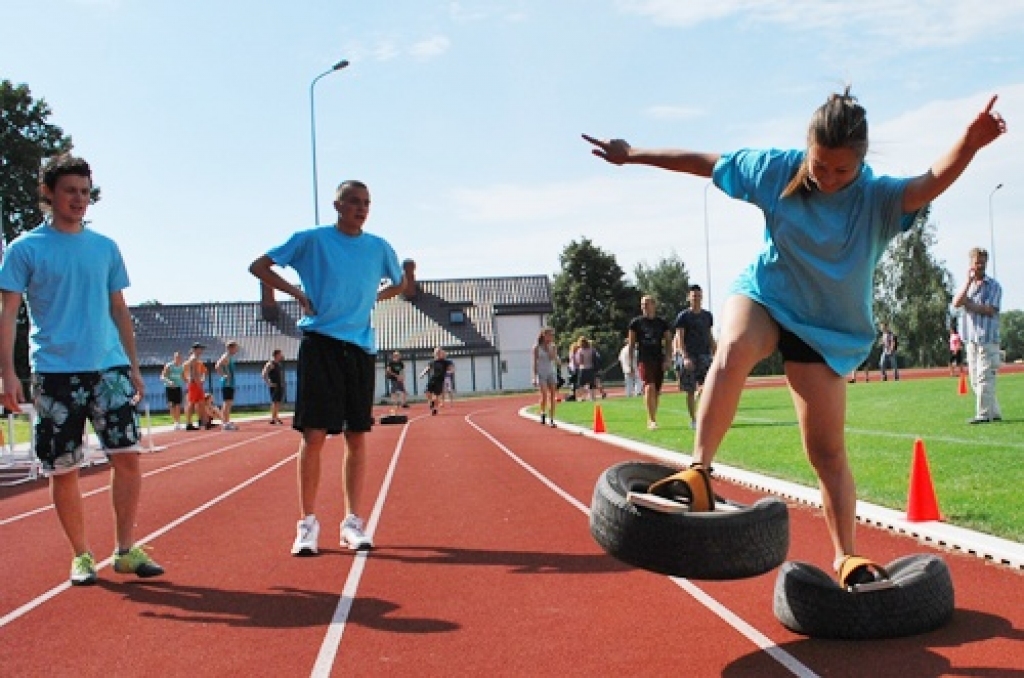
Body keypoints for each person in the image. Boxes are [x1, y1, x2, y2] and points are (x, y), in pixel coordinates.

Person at [584, 88, 1006, 586]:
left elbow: (930, 181)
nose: (827, 179)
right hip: (768, 296)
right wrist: (632, 154)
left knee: (826, 452)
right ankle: (699, 472)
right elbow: (705, 161)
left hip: (826, 328)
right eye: (820, 165)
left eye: (841, 171)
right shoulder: (776, 170)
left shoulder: (878, 199)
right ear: (807, 150)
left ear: (861, 163)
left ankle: (846, 557)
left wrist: (971, 142)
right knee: (734, 349)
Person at [0, 154, 163, 585]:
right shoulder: (25, 249)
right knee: (63, 467)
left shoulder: (105, 248)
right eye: (70, 191)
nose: (79, 199)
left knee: (127, 459)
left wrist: (132, 366)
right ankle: (81, 555)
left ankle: (125, 550)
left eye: (85, 192)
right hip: (55, 372)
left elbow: (119, 309)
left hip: (108, 369)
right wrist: (8, 374)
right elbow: (9, 312)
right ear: (49, 193)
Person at [250, 179, 414, 555]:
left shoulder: (378, 247)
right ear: (337, 206)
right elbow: (259, 266)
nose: (361, 208)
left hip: (358, 347)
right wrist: (296, 294)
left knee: (357, 435)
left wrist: (376, 294)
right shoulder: (312, 240)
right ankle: (306, 524)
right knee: (314, 436)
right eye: (354, 202)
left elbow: (402, 283)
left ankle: (352, 522)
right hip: (320, 344)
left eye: (366, 203)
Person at [953, 247, 1003, 424]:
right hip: (971, 340)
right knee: (975, 380)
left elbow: (989, 310)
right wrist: (967, 285)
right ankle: (994, 412)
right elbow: (956, 302)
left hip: (988, 339)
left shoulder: (994, 286)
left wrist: (969, 304)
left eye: (982, 261)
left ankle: (983, 414)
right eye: (976, 262)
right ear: (970, 264)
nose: (979, 265)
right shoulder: (968, 286)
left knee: (984, 378)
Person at [674, 284, 716, 430]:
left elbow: (710, 336)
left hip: (704, 354)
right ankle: (694, 419)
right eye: (693, 296)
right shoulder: (683, 317)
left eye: (698, 296)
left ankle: (705, 415)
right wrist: (684, 356)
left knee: (709, 387)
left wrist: (716, 353)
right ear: (689, 298)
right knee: (690, 390)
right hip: (690, 355)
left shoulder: (707, 316)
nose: (696, 298)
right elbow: (679, 337)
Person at [627, 295, 672, 430]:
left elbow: (668, 341)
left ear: (654, 305)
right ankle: (651, 419)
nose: (644, 306)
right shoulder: (636, 323)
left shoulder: (662, 323)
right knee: (649, 386)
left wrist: (668, 358)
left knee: (656, 391)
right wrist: (630, 362)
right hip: (644, 359)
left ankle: (653, 416)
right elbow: (631, 343)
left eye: (647, 303)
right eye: (642, 304)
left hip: (658, 358)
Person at [532, 327, 560, 427]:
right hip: (541, 373)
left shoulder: (553, 346)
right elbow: (535, 363)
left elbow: (553, 358)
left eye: (552, 335)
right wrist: (534, 377)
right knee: (544, 395)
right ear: (544, 335)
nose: (551, 337)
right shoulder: (536, 347)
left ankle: (552, 419)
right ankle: (543, 412)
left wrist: (550, 349)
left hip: (550, 372)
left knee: (552, 395)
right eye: (549, 335)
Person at [182, 342, 209, 430]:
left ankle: (201, 421)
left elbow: (200, 372)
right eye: (200, 349)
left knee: (201, 402)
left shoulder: (196, 359)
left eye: (201, 349)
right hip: (194, 384)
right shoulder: (193, 359)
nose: (201, 350)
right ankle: (189, 423)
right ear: (195, 349)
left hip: (196, 383)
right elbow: (194, 373)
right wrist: (198, 383)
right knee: (192, 403)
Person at [420, 347, 453, 416]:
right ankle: (431, 402)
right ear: (434, 354)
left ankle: (434, 409)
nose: (437, 353)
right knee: (427, 392)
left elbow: (451, 369)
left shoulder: (446, 362)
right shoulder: (432, 362)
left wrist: (449, 372)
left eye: (439, 352)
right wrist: (422, 374)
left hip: (440, 380)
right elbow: (428, 368)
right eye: (436, 352)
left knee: (436, 396)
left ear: (441, 353)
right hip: (432, 379)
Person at [215, 340, 240, 430]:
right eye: (236, 348)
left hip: (231, 383)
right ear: (231, 348)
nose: (237, 349)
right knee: (227, 402)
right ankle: (225, 423)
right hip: (227, 383)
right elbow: (217, 365)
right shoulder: (225, 356)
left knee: (229, 403)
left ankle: (226, 421)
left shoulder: (230, 357)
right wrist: (223, 375)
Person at [160, 351, 186, 430]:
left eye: (180, 358)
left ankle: (178, 422)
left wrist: (188, 380)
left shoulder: (181, 367)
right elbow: (162, 377)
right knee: (172, 405)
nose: (178, 359)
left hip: (178, 387)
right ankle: (175, 421)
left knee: (178, 405)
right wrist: (169, 382)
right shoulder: (169, 366)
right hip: (169, 388)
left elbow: (183, 377)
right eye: (177, 357)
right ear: (174, 358)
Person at [262, 348, 286, 424]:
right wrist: (269, 383)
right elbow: (263, 374)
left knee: (278, 402)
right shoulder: (270, 364)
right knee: (275, 401)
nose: (281, 355)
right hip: (274, 385)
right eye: (280, 354)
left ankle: (276, 416)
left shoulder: (279, 364)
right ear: (276, 355)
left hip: (280, 385)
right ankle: (273, 418)